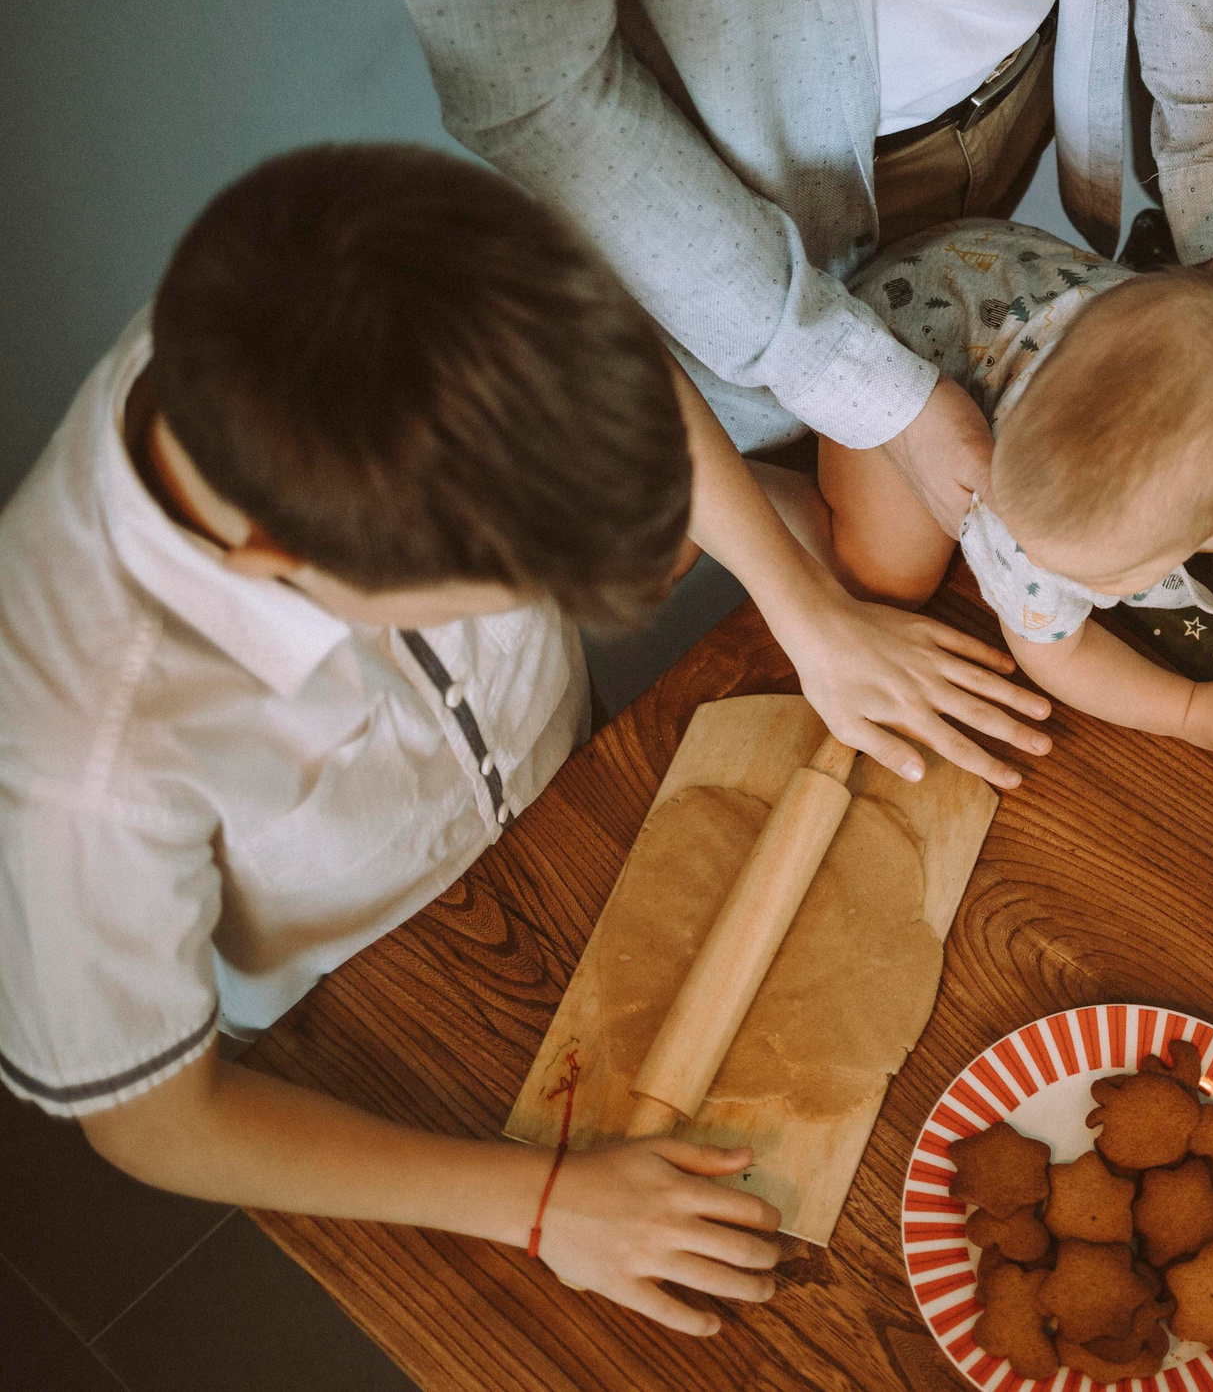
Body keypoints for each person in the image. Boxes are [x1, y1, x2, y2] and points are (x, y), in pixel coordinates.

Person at [295, 0, 1213, 768]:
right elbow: (534, 78)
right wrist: (817, 575)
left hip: (1018, 97)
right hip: (710, 194)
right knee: (858, 556)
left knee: (881, 553)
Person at [0, 147, 820, 1333]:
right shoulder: (79, 770)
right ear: (285, 567)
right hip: (379, 990)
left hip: (566, 785)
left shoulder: (376, 265)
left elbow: (616, 361)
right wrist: (546, 1209)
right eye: (489, 593)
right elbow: (160, 1125)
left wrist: (806, 605)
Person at [822, 222, 1213, 763]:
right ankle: (772, 498)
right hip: (896, 334)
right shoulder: (1014, 512)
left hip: (1005, 283)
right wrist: (1185, 711)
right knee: (887, 582)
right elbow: (1057, 653)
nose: (1052, 575)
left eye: (1099, 578)